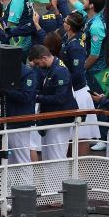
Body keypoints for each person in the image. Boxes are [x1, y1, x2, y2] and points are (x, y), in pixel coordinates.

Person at [29, 45, 78, 187]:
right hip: (50, 119)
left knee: (56, 156)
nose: (37, 67)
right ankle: (52, 190)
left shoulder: (60, 71)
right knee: (48, 156)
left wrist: (37, 97)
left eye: (38, 63)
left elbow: (60, 98)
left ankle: (58, 193)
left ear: (44, 58)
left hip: (60, 119)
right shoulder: (52, 69)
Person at [58, 13, 98, 154]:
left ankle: (80, 167)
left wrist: (64, 85)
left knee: (82, 133)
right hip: (71, 90)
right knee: (70, 133)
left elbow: (77, 72)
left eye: (64, 20)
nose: (62, 22)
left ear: (68, 26)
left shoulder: (75, 46)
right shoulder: (67, 39)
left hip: (78, 92)